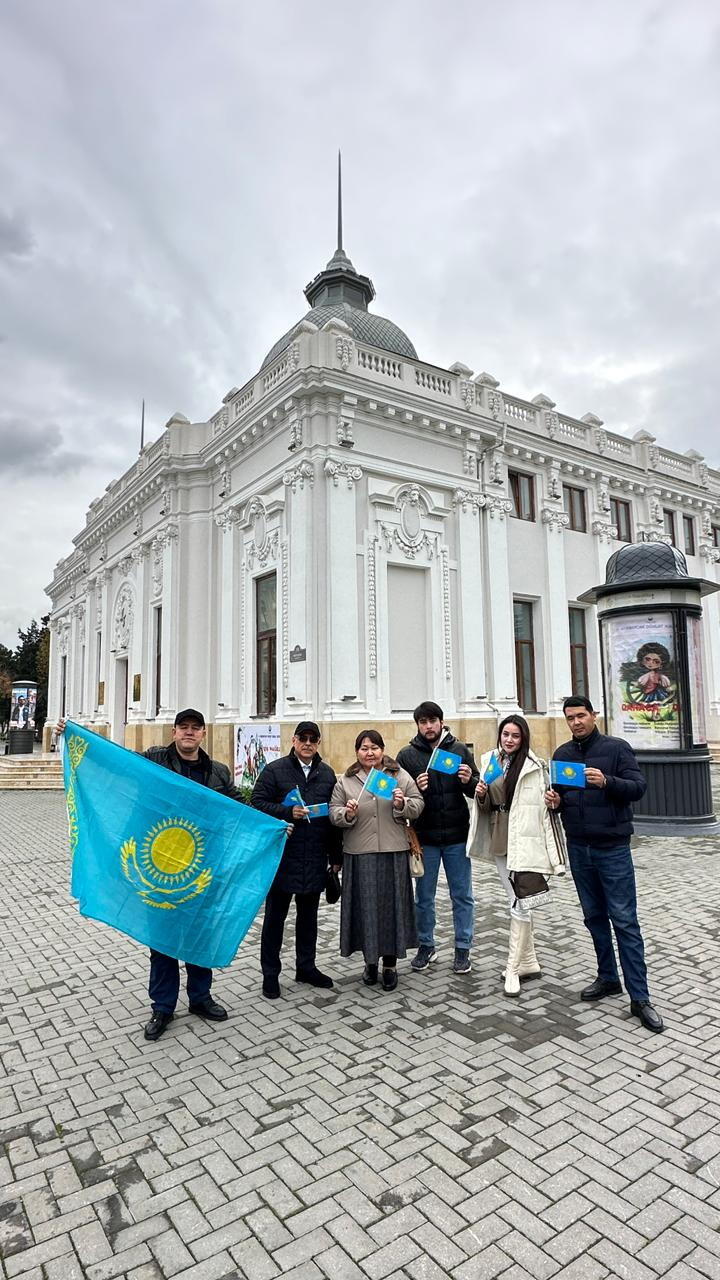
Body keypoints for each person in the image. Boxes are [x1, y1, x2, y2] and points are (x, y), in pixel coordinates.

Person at [57, 708, 248, 1042]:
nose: (189, 733)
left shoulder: (217, 771)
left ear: (203, 733)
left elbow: (238, 807)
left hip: (201, 868)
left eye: (195, 728)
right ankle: (163, 1006)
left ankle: (200, 998)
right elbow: (118, 762)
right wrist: (76, 734)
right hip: (158, 867)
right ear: (174, 732)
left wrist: (276, 824)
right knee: (162, 939)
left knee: (198, 934)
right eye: (183, 728)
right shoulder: (155, 761)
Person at [545, 695, 663, 1033]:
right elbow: (561, 796)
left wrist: (607, 782)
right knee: (594, 917)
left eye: (581, 715)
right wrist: (554, 801)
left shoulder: (616, 749)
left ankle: (640, 997)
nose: (576, 722)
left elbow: (638, 788)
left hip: (613, 848)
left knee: (624, 921)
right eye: (570, 718)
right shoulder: (562, 755)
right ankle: (608, 977)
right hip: (579, 848)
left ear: (594, 715)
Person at [467, 715, 565, 996]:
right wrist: (481, 794)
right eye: (505, 734)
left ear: (524, 739)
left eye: (515, 736)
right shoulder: (490, 762)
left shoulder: (535, 767)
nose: (509, 740)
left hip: (524, 838)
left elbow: (546, 809)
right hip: (501, 835)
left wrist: (554, 803)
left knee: (520, 902)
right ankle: (529, 962)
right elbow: (484, 807)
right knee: (516, 898)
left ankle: (512, 968)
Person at [251, 721, 341, 999]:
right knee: (275, 919)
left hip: (314, 855)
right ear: (293, 740)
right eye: (303, 738)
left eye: (313, 739)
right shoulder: (275, 770)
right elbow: (256, 802)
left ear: (318, 743)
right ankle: (270, 973)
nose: (308, 743)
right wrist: (287, 812)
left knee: (308, 919)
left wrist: (335, 858)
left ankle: (306, 966)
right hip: (283, 857)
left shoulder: (326, 774)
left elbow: (333, 817)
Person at [330, 730, 423, 990]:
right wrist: (346, 814)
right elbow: (333, 812)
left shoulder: (399, 776)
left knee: (392, 910)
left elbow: (418, 804)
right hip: (360, 853)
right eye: (363, 748)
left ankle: (390, 965)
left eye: (374, 748)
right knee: (366, 911)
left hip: (393, 851)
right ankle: (370, 964)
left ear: (382, 750)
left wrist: (402, 804)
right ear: (356, 752)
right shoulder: (346, 781)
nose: (369, 753)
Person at [396, 701, 479, 974]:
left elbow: (476, 790)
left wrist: (469, 781)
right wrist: (414, 791)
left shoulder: (458, 750)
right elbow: (398, 798)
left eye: (433, 721)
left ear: (441, 722)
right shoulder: (407, 755)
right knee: (424, 897)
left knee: (462, 895)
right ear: (417, 725)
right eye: (423, 722)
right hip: (425, 838)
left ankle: (463, 948)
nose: (428, 726)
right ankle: (425, 946)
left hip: (457, 835)